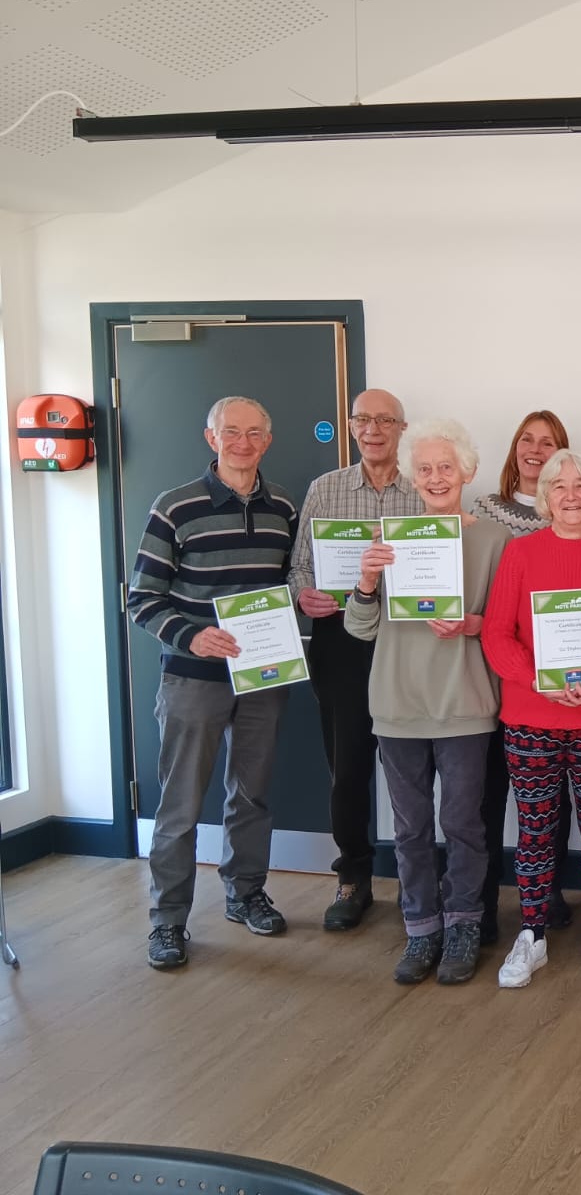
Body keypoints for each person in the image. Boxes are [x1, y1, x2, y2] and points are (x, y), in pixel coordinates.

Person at [131, 397, 298, 970]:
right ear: (211, 438)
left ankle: (245, 893)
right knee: (179, 806)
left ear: (268, 441)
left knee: (251, 795)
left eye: (255, 432)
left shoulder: (282, 507)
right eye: (232, 432)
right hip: (193, 679)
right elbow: (141, 600)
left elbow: (288, 586)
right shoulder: (174, 507)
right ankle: (168, 921)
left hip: (262, 677)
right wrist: (193, 636)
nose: (243, 443)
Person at [344, 419, 510, 985]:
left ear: (467, 471)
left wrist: (473, 623)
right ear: (413, 477)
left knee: (463, 823)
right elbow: (360, 628)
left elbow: (510, 625)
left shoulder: (495, 540)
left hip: (464, 701)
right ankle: (421, 929)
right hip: (397, 701)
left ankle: (465, 924)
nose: (436, 477)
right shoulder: (387, 540)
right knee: (410, 828)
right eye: (425, 469)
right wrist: (366, 584)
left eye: (446, 467)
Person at [482, 449, 581, 986]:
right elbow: (497, 634)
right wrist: (543, 680)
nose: (571, 495)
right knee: (534, 828)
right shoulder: (520, 554)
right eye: (559, 486)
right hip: (531, 719)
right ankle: (532, 934)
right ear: (544, 499)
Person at [287, 388, 422, 931]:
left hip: (409, 641)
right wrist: (304, 594)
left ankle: (419, 875)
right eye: (363, 420)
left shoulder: (425, 490)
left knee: (416, 765)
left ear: (401, 428)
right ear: (349, 426)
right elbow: (299, 566)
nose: (373, 429)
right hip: (340, 641)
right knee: (348, 766)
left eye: (385, 420)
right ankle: (354, 876)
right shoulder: (325, 490)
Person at [473, 410, 575, 942]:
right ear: (514, 449)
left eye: (549, 443)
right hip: (482, 675)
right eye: (527, 441)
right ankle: (485, 904)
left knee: (550, 797)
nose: (536, 450)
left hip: (548, 688)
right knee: (489, 796)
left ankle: (550, 890)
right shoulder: (483, 511)